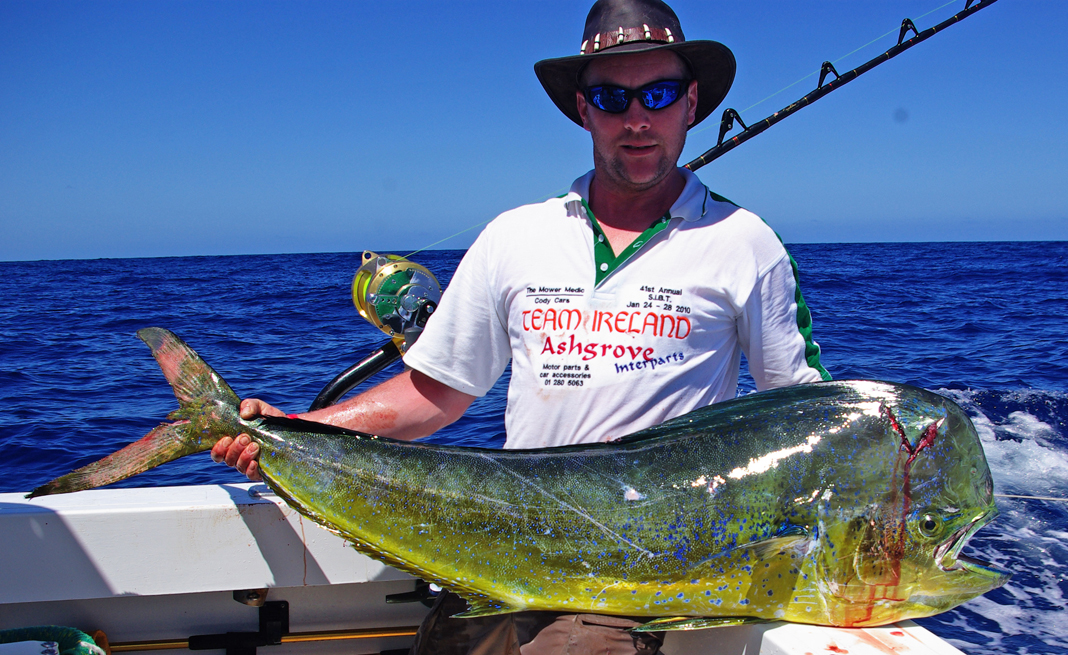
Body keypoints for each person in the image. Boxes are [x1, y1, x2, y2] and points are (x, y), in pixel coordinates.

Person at [214, 0, 830, 652]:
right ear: (583, 109)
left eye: (659, 93)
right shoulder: (515, 236)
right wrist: (289, 430)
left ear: (692, 102)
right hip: (506, 551)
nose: (638, 118)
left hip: (639, 570)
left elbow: (807, 418)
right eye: (612, 98)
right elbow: (435, 391)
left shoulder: (745, 243)